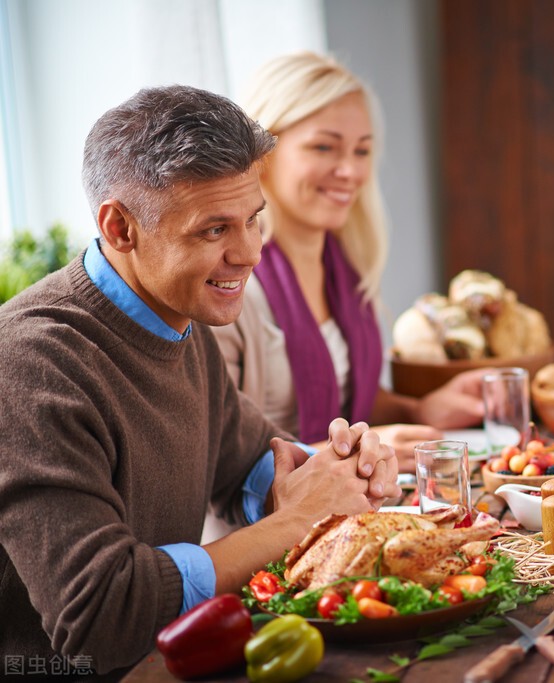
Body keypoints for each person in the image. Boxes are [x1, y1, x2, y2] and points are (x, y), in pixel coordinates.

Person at [0, 85, 400, 678]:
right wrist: (291, 522)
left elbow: (249, 465)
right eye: (213, 230)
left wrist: (336, 469)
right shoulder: (29, 363)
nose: (249, 253)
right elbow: (102, 615)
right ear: (120, 227)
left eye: (253, 220)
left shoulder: (179, 316)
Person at [213, 51, 486, 473]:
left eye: (362, 151)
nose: (350, 171)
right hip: (264, 529)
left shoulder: (344, 266)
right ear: (261, 152)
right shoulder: (229, 285)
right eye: (324, 147)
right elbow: (217, 458)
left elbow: (343, 392)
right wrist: (351, 452)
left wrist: (419, 410)